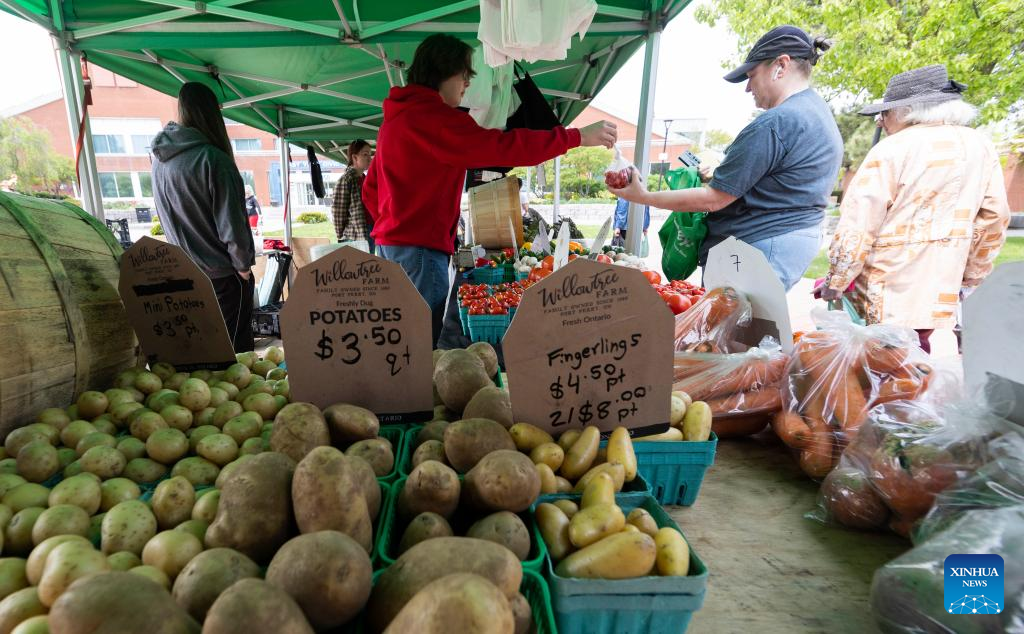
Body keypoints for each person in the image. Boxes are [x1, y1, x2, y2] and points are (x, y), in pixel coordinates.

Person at [363, 33, 617, 344]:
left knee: (401, 338)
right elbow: (502, 147)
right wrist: (576, 137)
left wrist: (394, 222)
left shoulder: (396, 119)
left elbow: (371, 190)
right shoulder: (435, 119)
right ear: (445, 71)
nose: (467, 84)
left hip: (391, 245)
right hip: (419, 249)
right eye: (464, 75)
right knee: (419, 343)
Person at [609, 25, 843, 291]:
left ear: (781, 65)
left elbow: (714, 199)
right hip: (786, 243)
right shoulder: (818, 113)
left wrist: (643, 196)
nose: (748, 88)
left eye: (751, 75)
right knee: (749, 318)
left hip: (757, 246)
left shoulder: (777, 122)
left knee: (732, 319)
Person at [819, 64, 1010, 353]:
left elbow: (859, 222)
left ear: (907, 111)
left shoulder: (892, 149)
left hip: (884, 287)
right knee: (915, 354)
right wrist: (972, 276)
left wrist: (837, 279)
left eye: (885, 112)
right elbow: (994, 217)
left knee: (880, 361)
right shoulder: (980, 147)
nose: (880, 121)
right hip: (939, 285)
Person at [151, 81, 256, 353]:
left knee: (200, 354)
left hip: (183, 276)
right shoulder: (213, 160)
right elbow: (232, 223)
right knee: (234, 356)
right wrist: (243, 266)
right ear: (213, 113)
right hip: (221, 276)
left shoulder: (160, 161)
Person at [332, 139, 375, 252]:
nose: (369, 158)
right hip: (354, 235)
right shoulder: (346, 179)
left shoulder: (365, 178)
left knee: (369, 262)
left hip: (370, 230)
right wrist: (341, 236)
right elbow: (338, 211)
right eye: (365, 154)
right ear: (354, 157)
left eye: (370, 154)